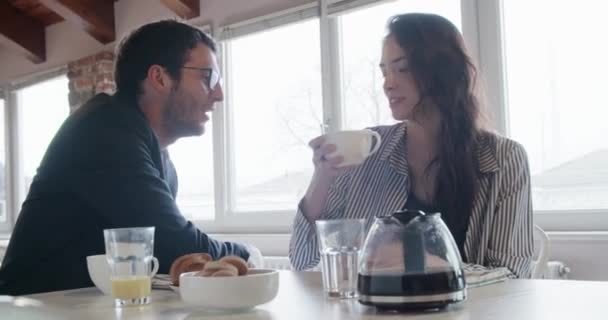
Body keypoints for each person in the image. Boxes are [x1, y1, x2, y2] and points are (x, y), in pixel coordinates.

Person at [0, 20, 260, 295]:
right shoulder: (104, 129)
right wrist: (246, 254)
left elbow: (162, 251)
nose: (219, 94)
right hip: (28, 308)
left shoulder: (155, 155)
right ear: (159, 78)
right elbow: (176, 246)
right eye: (209, 78)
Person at [289, 13, 534, 278]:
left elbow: (513, 274)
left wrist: (419, 262)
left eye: (402, 68)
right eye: (384, 71)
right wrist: (321, 180)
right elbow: (303, 261)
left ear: (442, 69)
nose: (388, 83)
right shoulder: (366, 151)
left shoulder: (504, 159)